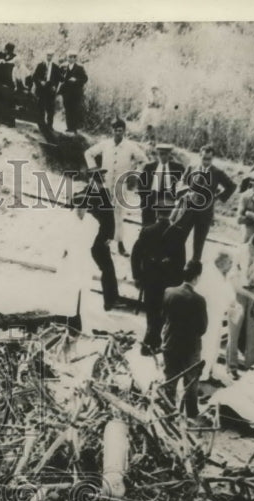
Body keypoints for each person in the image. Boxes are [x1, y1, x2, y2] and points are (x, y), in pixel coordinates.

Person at [83, 117, 144, 256]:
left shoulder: (130, 146)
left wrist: (134, 172)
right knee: (105, 214)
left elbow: (144, 160)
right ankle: (105, 242)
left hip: (120, 185)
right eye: (116, 130)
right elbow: (88, 153)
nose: (118, 133)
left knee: (118, 214)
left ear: (124, 131)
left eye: (120, 131)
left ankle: (120, 244)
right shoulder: (105, 144)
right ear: (112, 131)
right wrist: (95, 171)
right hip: (105, 184)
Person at [131, 210, 182, 354]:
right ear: (172, 214)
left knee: (151, 312)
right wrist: (178, 283)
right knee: (162, 313)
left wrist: (137, 276)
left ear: (157, 214)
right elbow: (180, 261)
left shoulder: (147, 231)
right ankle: (152, 342)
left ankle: (150, 341)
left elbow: (135, 255)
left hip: (150, 280)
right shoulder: (178, 233)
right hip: (168, 282)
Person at [161, 259, 208, 418]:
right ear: (197, 277)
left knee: (170, 380)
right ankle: (192, 413)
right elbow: (202, 328)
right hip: (190, 348)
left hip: (170, 343)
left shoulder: (169, 291)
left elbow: (164, 316)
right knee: (191, 382)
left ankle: (167, 411)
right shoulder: (199, 300)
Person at [174, 145, 237, 261]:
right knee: (180, 238)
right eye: (204, 158)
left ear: (212, 159)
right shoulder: (192, 167)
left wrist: (217, 198)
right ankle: (176, 264)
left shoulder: (217, 173)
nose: (206, 162)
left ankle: (193, 269)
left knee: (199, 243)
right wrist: (185, 191)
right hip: (188, 210)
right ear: (199, 156)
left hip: (205, 213)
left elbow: (232, 186)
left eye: (209, 159)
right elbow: (182, 181)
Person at [74, 169, 121, 311]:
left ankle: (111, 300)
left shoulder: (102, 194)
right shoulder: (90, 192)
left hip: (100, 237)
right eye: (97, 182)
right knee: (106, 268)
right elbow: (74, 200)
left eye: (100, 182)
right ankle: (110, 300)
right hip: (93, 236)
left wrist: (110, 236)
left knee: (107, 268)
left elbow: (110, 217)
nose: (99, 184)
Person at [226, 231, 254, 375]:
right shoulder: (238, 253)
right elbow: (234, 284)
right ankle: (231, 365)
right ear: (251, 245)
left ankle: (250, 364)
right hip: (238, 292)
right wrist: (252, 296)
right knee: (234, 329)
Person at [195, 250, 237, 383]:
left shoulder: (221, 274)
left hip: (216, 316)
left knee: (213, 347)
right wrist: (227, 307)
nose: (231, 265)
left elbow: (227, 291)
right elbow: (212, 297)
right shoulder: (209, 273)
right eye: (230, 262)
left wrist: (232, 304)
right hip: (207, 316)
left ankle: (208, 373)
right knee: (206, 346)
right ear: (223, 262)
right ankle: (199, 378)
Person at [137, 143, 185, 226]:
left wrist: (175, 197)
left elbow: (183, 182)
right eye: (160, 154)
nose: (163, 157)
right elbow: (141, 184)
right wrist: (144, 198)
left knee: (163, 226)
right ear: (157, 154)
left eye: (165, 154)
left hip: (167, 199)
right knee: (147, 225)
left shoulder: (177, 168)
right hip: (151, 198)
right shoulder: (149, 167)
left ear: (169, 154)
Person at [31, 51, 62, 133]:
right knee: (41, 107)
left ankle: (50, 126)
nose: (49, 57)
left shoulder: (55, 67)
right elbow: (34, 77)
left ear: (53, 57)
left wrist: (55, 86)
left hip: (50, 89)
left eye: (51, 56)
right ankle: (41, 125)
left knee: (50, 108)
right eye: (48, 55)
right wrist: (40, 82)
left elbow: (59, 78)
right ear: (46, 56)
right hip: (41, 89)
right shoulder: (40, 65)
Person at [58, 50, 88, 133]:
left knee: (75, 109)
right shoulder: (63, 66)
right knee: (67, 109)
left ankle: (74, 128)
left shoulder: (80, 67)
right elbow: (58, 76)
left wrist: (76, 80)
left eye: (73, 57)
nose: (71, 59)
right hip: (66, 92)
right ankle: (69, 127)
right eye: (69, 57)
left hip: (76, 92)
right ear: (67, 57)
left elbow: (85, 79)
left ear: (75, 58)